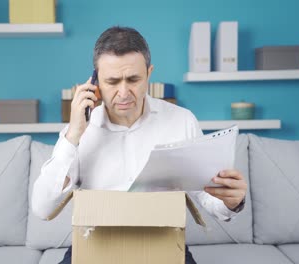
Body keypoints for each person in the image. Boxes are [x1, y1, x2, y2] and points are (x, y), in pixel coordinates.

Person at [32, 26, 247, 264]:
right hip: (95, 243)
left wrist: (231, 202)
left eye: (133, 79)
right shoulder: (79, 130)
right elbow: (43, 209)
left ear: (149, 73)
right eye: (112, 81)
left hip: (162, 241)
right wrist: (73, 135)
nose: (123, 93)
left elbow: (205, 195)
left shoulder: (181, 121)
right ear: (95, 82)